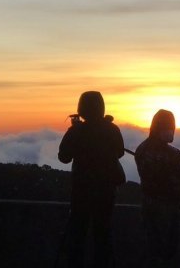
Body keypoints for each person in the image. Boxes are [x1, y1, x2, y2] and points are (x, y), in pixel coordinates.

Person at [58, 91, 125, 267]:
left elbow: (63, 157)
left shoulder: (77, 131)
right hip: (106, 191)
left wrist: (74, 131)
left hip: (81, 191)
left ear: (81, 108)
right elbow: (119, 152)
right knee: (103, 236)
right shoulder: (112, 129)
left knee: (77, 236)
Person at [135, 109, 180, 267]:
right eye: (168, 127)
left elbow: (179, 176)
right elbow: (174, 177)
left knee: (159, 248)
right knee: (163, 249)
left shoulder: (144, 149)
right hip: (163, 207)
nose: (171, 131)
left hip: (157, 206)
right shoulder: (166, 153)